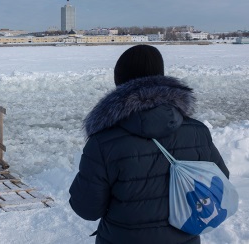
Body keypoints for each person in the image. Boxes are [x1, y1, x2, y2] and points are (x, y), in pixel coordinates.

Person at [69, 45, 229, 244]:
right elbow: (221, 180)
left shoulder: (103, 142)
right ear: (161, 77)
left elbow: (86, 208)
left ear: (120, 82)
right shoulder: (197, 131)